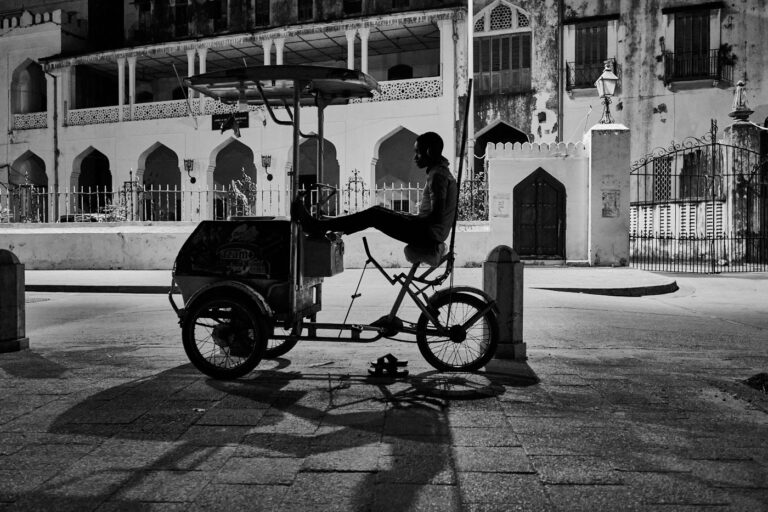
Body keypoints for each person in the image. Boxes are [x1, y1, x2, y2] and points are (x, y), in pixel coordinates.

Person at [291, 131, 457, 249]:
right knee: (377, 213)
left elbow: (436, 215)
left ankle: (320, 226)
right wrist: (407, 217)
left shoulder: (438, 176)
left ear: (428, 152)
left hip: (427, 235)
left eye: (417, 153)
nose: (415, 158)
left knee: (374, 214)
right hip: (428, 231)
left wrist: (410, 220)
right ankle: (325, 224)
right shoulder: (440, 173)